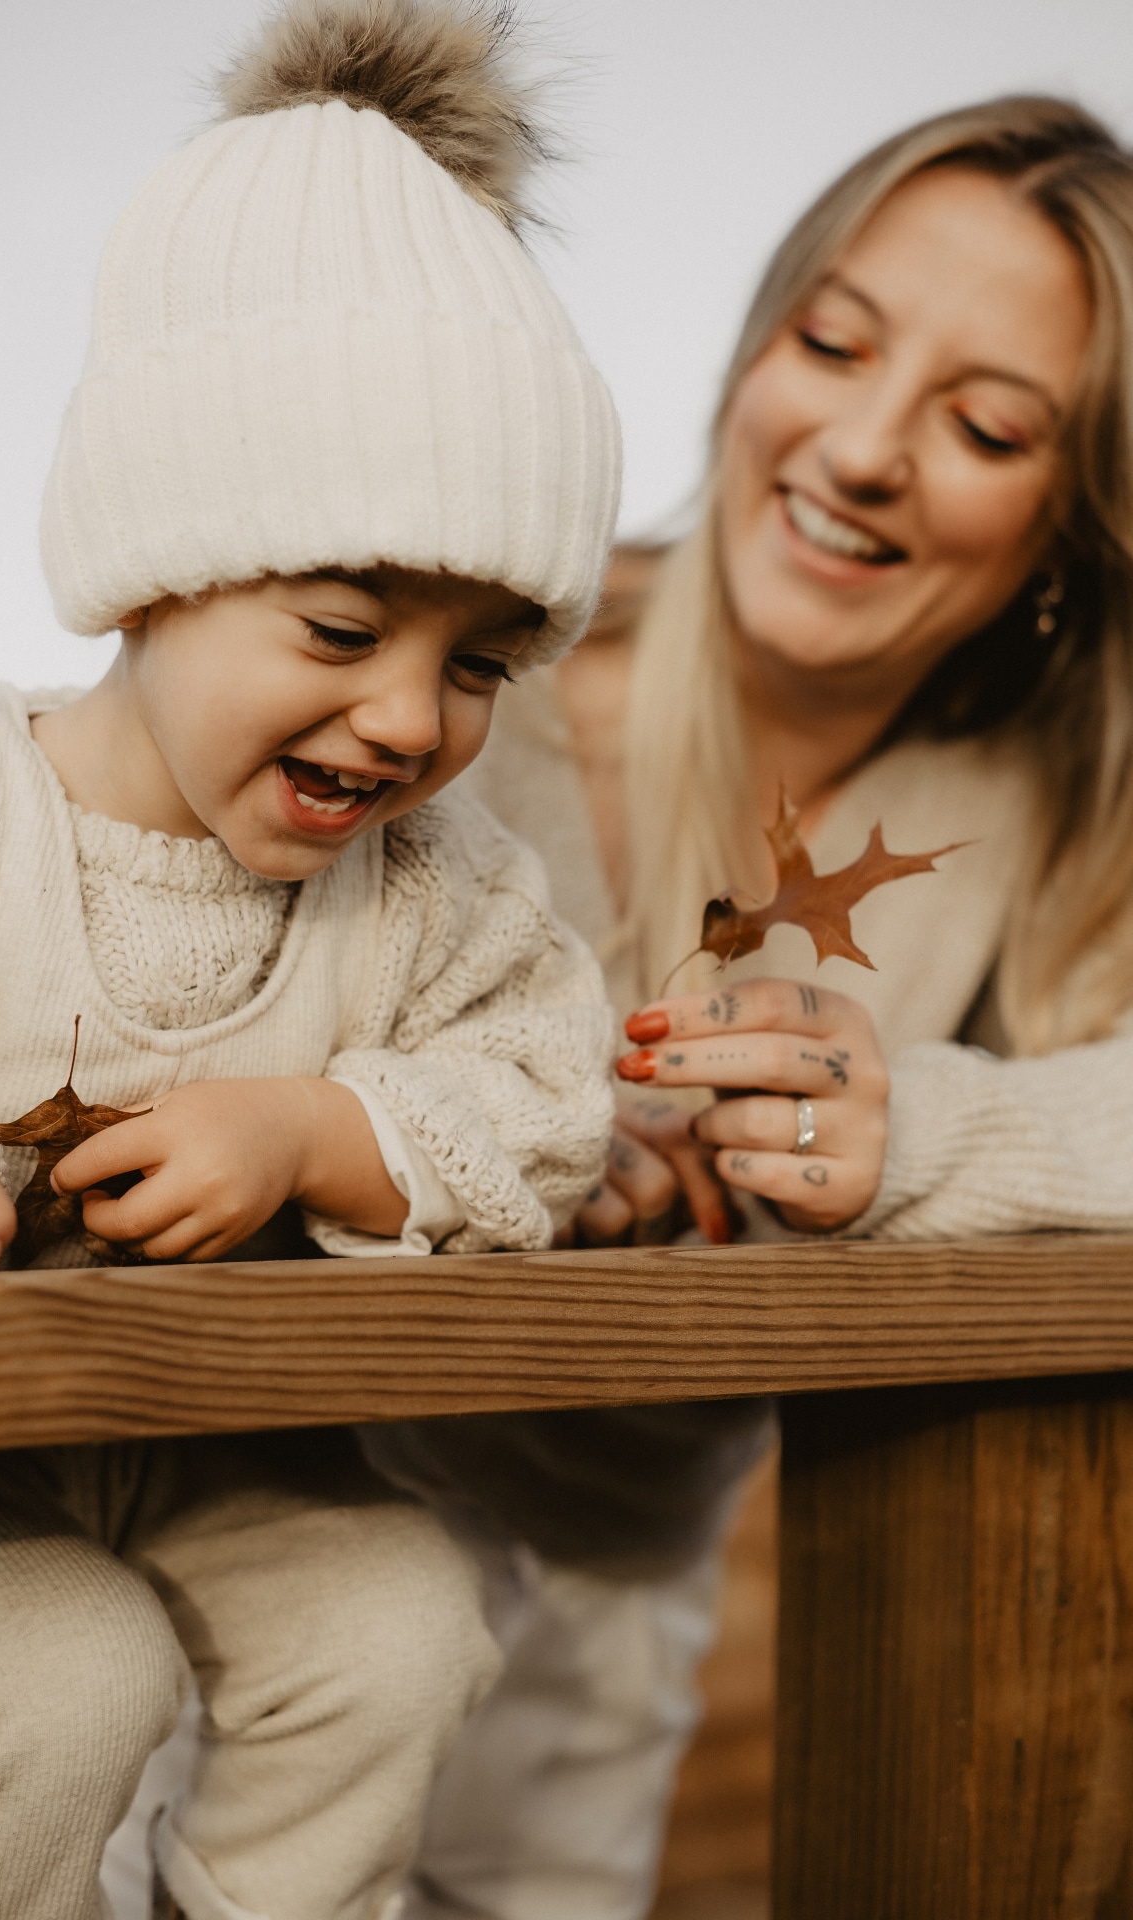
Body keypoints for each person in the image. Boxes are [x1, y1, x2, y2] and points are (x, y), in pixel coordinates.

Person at [0, 2, 622, 1916]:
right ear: (160, 561)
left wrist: (312, 1129)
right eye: (346, 622)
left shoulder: (439, 884)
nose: (409, 716)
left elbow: (547, 1106)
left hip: (231, 1451)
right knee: (63, 1673)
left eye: (478, 663)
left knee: (404, 1618)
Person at [399, 94, 1133, 1920]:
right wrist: (486, 1135)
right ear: (754, 349)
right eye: (833, 341)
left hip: (612, 1626)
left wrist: (925, 1128)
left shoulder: (1052, 824)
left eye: (986, 425)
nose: (867, 448)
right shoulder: (444, 655)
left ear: (1069, 525)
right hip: (241, 1558)